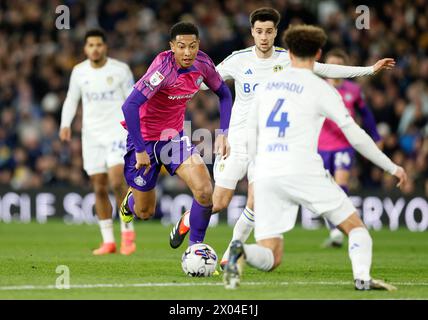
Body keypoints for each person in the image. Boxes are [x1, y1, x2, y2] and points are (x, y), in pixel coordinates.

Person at [168, 7, 396, 265]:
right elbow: (202, 81)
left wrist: (369, 70)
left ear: (276, 32)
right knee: (218, 202)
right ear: (252, 32)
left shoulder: (288, 59)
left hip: (267, 146)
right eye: (259, 31)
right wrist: (171, 83)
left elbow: (325, 69)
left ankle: (230, 254)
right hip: (237, 141)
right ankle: (188, 219)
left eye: (268, 31)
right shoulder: (238, 60)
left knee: (255, 202)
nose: (264, 37)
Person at [223, 24, 407, 291]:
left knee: (272, 255)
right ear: (319, 53)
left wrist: (258, 168)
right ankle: (362, 278)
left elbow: (251, 133)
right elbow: (355, 135)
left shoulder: (266, 88)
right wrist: (391, 166)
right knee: (356, 228)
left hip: (267, 173)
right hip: (304, 171)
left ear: (289, 53)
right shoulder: (322, 89)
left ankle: (241, 251)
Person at [118, 22, 232, 249]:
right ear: (172, 47)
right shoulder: (162, 71)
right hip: (145, 139)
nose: (187, 52)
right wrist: (140, 149)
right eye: (181, 47)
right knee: (145, 212)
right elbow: (129, 106)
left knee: (204, 190)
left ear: (198, 44)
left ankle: (196, 248)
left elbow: (225, 94)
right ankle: (129, 203)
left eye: (192, 46)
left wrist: (223, 133)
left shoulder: (203, 64)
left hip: (173, 138)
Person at [60, 29, 137, 255]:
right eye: (90, 45)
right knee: (99, 185)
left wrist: (137, 127)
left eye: (98, 44)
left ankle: (127, 234)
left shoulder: (120, 70)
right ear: (85, 49)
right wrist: (65, 124)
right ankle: (108, 241)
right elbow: (71, 99)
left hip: (117, 132)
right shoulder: (79, 72)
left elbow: (134, 99)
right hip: (91, 136)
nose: (95, 48)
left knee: (117, 181)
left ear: (105, 47)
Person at [318, 48, 382, 248]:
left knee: (340, 184)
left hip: (344, 145)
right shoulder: (318, 88)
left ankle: (339, 229)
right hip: (320, 145)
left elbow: (367, 114)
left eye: (339, 64)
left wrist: (376, 136)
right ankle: (335, 228)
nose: (335, 68)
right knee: (325, 189)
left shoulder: (353, 90)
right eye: (332, 64)